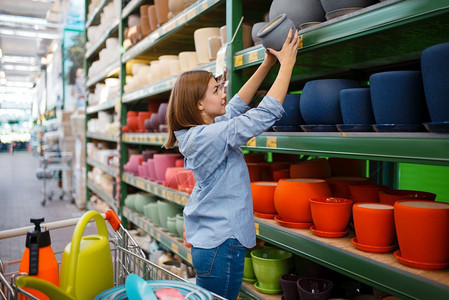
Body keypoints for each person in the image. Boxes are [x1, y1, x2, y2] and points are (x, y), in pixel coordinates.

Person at [164, 28, 300, 299]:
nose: (223, 93)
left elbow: (237, 106)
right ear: (199, 105)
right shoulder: (207, 136)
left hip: (212, 244)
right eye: (216, 90)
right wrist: (288, 64)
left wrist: (268, 64)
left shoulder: (201, 130)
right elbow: (263, 116)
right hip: (221, 245)